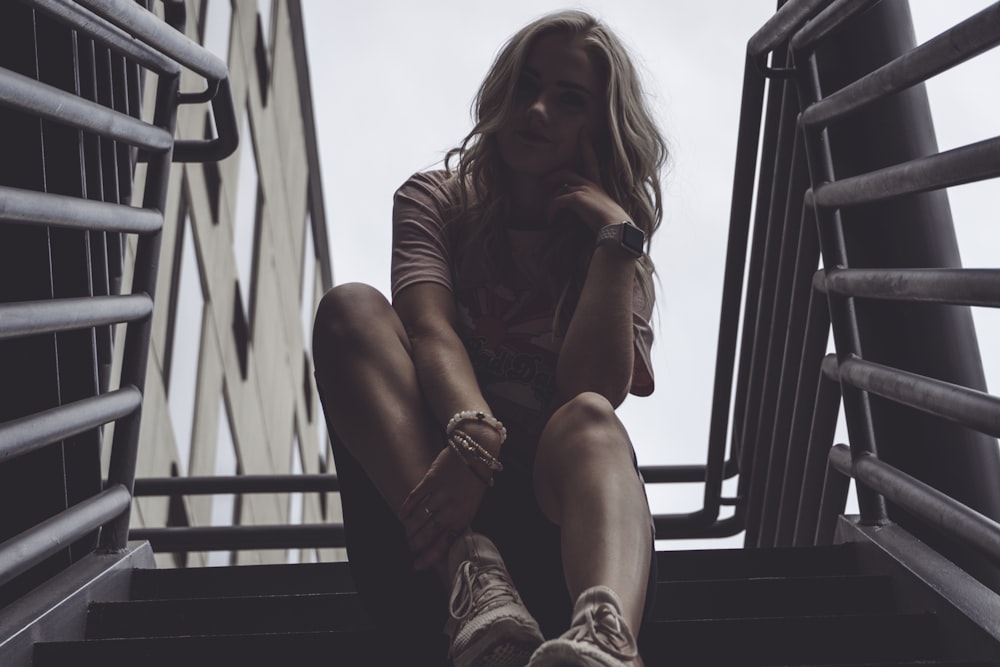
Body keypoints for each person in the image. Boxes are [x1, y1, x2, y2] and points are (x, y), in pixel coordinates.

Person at [313, 9, 667, 666]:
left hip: (559, 552)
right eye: (526, 85)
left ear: (600, 125)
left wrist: (615, 246)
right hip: (433, 535)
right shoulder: (438, 201)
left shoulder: (618, 255)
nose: (535, 110)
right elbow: (430, 327)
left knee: (588, 417)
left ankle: (607, 636)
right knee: (351, 310)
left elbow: (591, 394)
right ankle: (475, 580)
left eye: (568, 99)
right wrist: (473, 436)